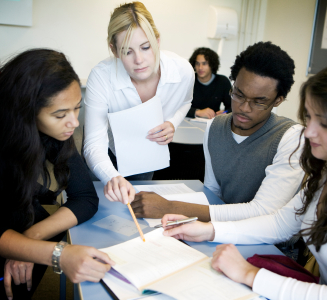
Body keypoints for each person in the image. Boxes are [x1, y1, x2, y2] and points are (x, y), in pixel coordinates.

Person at [161, 59, 327, 300]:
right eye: (309, 118)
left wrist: (249, 274)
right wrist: (207, 231)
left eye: (324, 124)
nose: (308, 132)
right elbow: (280, 223)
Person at [131, 42, 304, 222]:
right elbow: (213, 193)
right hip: (223, 230)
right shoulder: (215, 127)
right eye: (238, 94)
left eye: (259, 102)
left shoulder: (291, 138)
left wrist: (170, 207)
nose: (244, 108)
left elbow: (264, 212)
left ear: (278, 101)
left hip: (271, 246)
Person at [0, 49, 115, 300]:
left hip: (21, 229)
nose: (74, 122)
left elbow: (85, 197)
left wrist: (30, 241)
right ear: (25, 112)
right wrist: (57, 254)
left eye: (77, 108)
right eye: (61, 114)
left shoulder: (56, 135)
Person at [83, 2, 195, 204]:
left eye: (146, 47)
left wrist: (172, 123)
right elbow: (93, 144)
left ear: (157, 40)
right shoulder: (101, 76)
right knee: (99, 207)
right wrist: (112, 177)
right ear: (114, 50)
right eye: (127, 51)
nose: (140, 60)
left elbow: (186, 101)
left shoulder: (183, 71)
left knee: (136, 215)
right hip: (106, 157)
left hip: (146, 157)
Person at [186, 47, 231, 119]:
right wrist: (197, 112)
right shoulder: (189, 80)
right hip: (188, 122)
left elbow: (232, 107)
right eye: (197, 63)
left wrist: (225, 113)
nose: (200, 67)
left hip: (213, 123)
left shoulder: (222, 82)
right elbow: (177, 106)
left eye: (204, 63)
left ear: (212, 65)